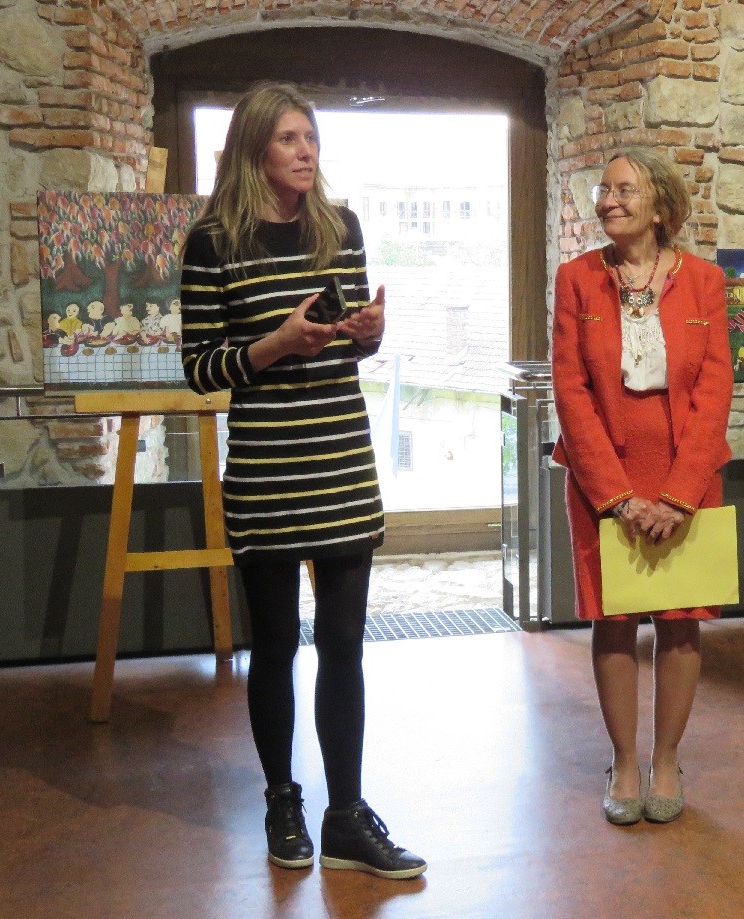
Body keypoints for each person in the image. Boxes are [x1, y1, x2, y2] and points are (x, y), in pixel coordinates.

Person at [179, 82, 426, 878]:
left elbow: (346, 344)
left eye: (311, 138)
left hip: (341, 460)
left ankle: (345, 814)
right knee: (277, 644)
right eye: (289, 139)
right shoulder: (212, 242)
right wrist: (276, 344)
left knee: (345, 644)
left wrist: (367, 333)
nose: (306, 151)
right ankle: (282, 799)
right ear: (255, 149)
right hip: (267, 468)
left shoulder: (339, 227)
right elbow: (199, 368)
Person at [551, 148, 732, 825]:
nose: (608, 201)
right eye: (604, 190)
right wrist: (618, 495)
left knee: (680, 625)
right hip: (605, 481)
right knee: (614, 621)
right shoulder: (576, 279)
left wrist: (680, 494)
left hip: (687, 476)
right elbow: (571, 389)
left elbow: (714, 389)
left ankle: (667, 760)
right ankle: (625, 761)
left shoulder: (705, 281)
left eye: (624, 190)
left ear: (660, 205)